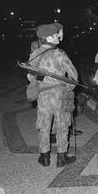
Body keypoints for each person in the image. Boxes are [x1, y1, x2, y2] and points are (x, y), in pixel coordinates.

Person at [27, 23, 79, 167]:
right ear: (49, 37)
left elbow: (30, 78)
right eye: (56, 35)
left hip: (43, 96)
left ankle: (44, 157)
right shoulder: (60, 54)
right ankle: (62, 157)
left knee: (44, 126)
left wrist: (42, 80)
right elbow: (74, 77)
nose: (59, 37)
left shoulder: (35, 55)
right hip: (59, 95)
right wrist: (67, 88)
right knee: (62, 125)